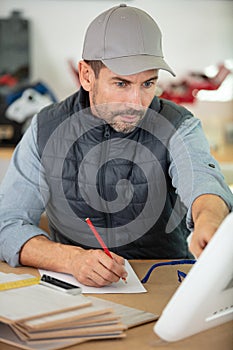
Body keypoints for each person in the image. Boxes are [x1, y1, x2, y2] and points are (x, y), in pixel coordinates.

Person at [0, 4, 232, 287]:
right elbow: (7, 225)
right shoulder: (44, 128)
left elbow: (203, 181)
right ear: (87, 75)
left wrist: (210, 218)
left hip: (163, 286)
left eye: (148, 83)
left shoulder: (179, 124)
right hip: (73, 290)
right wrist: (70, 259)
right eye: (121, 84)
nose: (137, 102)